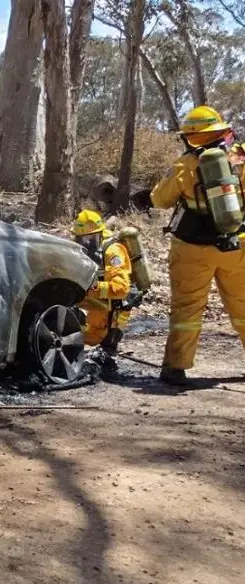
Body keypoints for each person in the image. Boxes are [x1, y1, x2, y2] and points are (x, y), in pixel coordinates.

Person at [139, 105, 245, 386]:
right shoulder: (239, 158)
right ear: (220, 131)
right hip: (236, 245)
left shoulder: (185, 164)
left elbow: (161, 200)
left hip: (192, 247)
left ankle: (176, 367)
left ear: (191, 137)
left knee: (187, 308)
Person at [71, 209, 137, 369]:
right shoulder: (82, 251)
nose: (86, 244)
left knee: (97, 338)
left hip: (115, 307)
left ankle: (109, 346)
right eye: (82, 240)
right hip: (98, 302)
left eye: (90, 239)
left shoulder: (113, 251)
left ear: (100, 234)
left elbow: (121, 288)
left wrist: (91, 289)